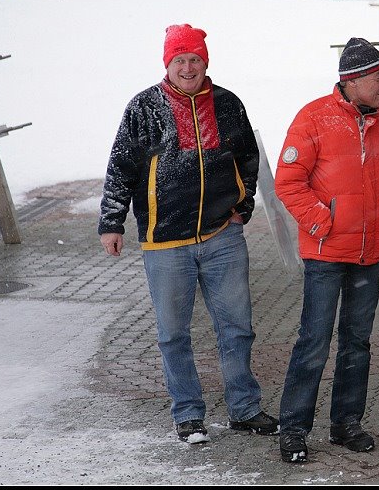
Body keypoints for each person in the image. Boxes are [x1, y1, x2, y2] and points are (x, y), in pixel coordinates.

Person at [98, 24, 277, 444]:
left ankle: (244, 408)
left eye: (194, 58)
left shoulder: (227, 103)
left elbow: (248, 157)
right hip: (166, 243)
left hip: (222, 236)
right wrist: (111, 221)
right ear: (168, 63)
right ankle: (189, 414)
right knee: (173, 333)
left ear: (205, 61)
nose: (188, 67)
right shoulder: (143, 107)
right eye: (180, 59)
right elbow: (120, 166)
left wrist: (242, 205)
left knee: (237, 328)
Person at [274, 37, 379, 463]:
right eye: (377, 78)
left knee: (358, 342)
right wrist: (324, 223)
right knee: (314, 341)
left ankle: (346, 422)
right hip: (326, 253)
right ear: (351, 81)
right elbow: (288, 183)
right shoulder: (313, 118)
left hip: (371, 253)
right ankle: (294, 428)